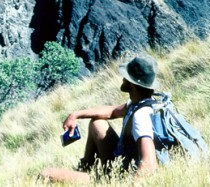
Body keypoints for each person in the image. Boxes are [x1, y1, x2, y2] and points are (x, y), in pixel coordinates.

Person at [41, 54, 160, 184]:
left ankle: (94, 180)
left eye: (126, 76)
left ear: (131, 84)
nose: (122, 78)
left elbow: (149, 164)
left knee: (46, 174)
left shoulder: (140, 116)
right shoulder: (146, 103)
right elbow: (112, 111)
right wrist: (75, 114)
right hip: (123, 160)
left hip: (121, 177)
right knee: (97, 123)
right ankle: (85, 168)